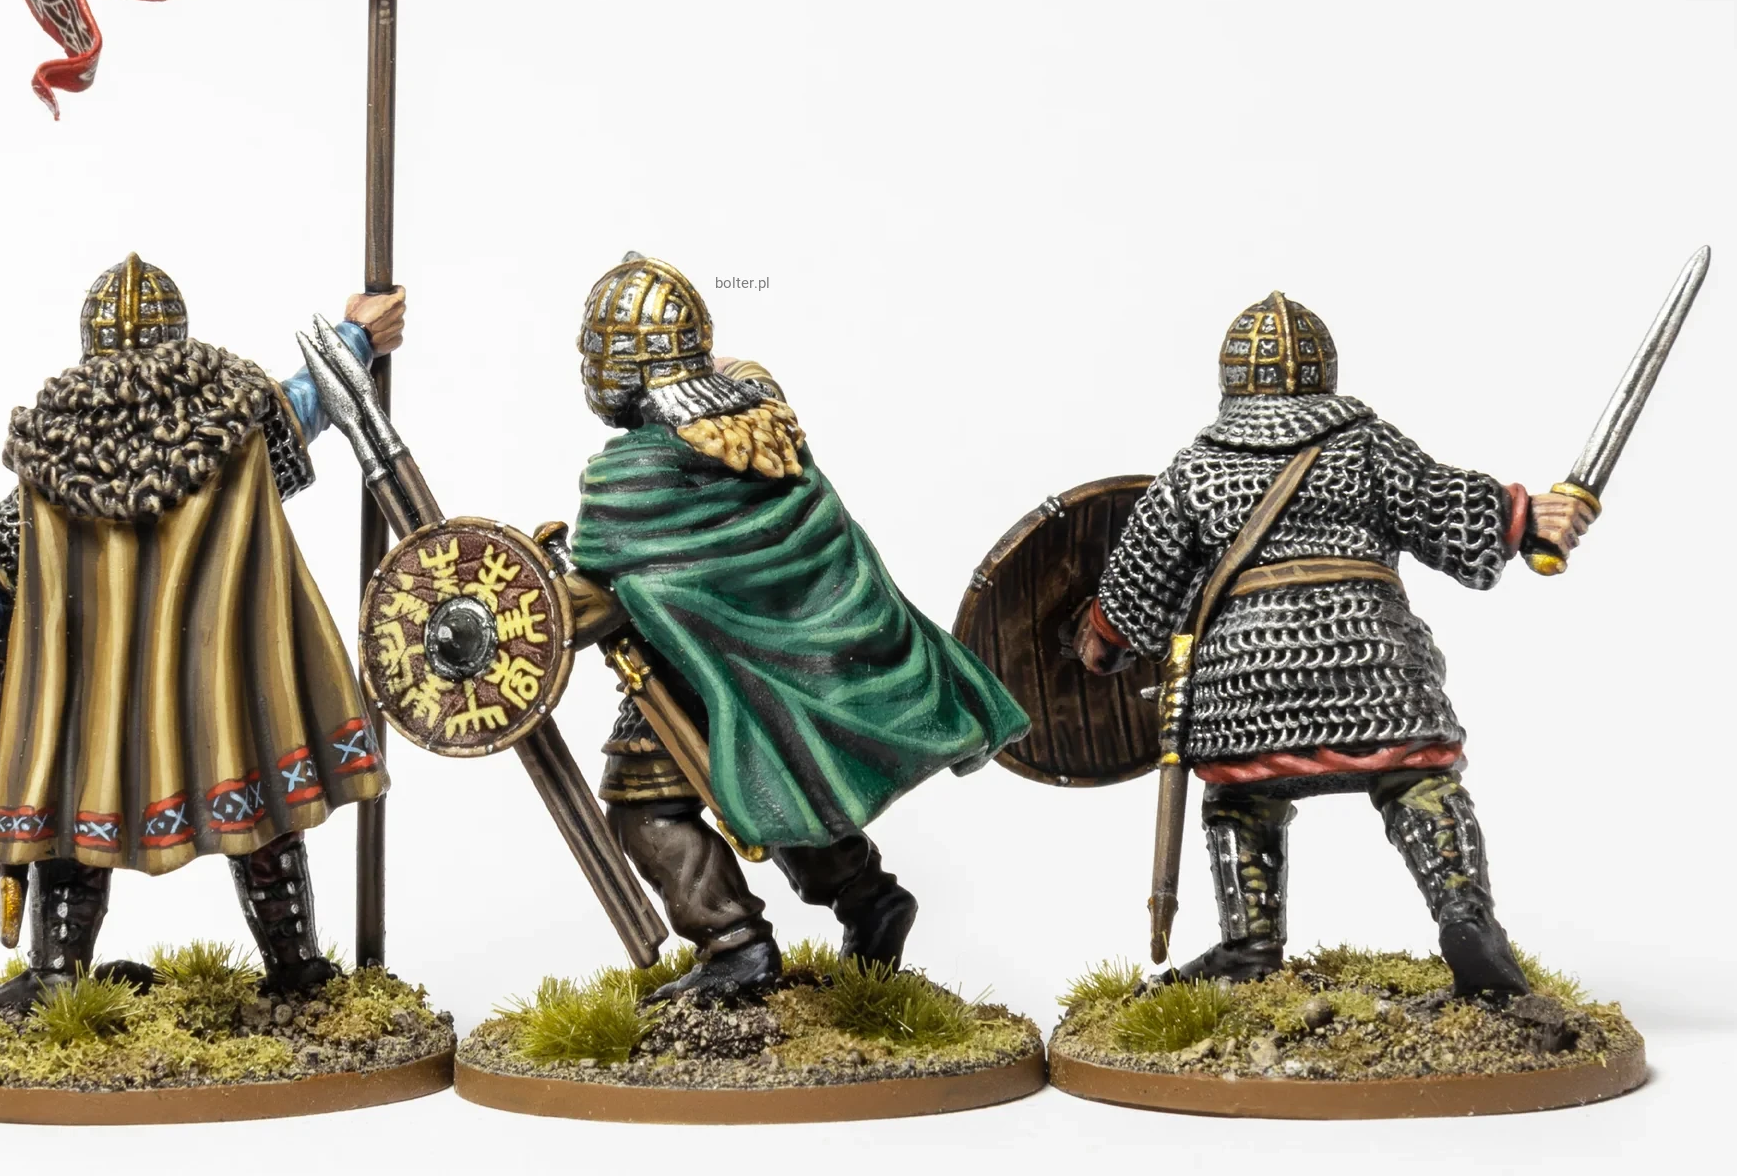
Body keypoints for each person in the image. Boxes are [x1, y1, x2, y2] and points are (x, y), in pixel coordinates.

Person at [1073, 292, 1595, 998]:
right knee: (1419, 784)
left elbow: (1137, 588)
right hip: (1376, 668)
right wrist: (1526, 517)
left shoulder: (1195, 469)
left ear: (1231, 378)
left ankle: (1250, 942)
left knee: (1240, 802)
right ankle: (1466, 916)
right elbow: (1442, 505)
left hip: (1244, 683)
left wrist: (1103, 642)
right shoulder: (1367, 444)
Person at [0, 254, 406, 1008]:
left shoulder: (50, 454)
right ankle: (294, 967)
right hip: (215, 681)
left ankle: (60, 971)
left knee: (74, 811)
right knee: (258, 808)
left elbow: (0, 555)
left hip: (96, 692)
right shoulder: (235, 425)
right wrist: (359, 336)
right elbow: (312, 399)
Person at [562, 253, 1029, 1000]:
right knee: (785, 779)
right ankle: (869, 898)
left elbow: (596, 596)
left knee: (645, 803)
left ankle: (734, 945)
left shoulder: (635, 474)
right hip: (777, 668)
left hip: (689, 674)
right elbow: (737, 524)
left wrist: (540, 601)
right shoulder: (766, 425)